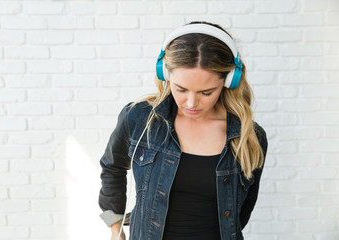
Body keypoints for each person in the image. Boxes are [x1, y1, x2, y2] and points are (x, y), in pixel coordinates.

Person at [99, 21, 268, 240]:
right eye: (180, 89)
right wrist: (115, 228)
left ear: (229, 81)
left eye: (206, 92)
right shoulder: (139, 118)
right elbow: (112, 167)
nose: (191, 103)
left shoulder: (249, 137)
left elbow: (241, 211)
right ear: (165, 75)